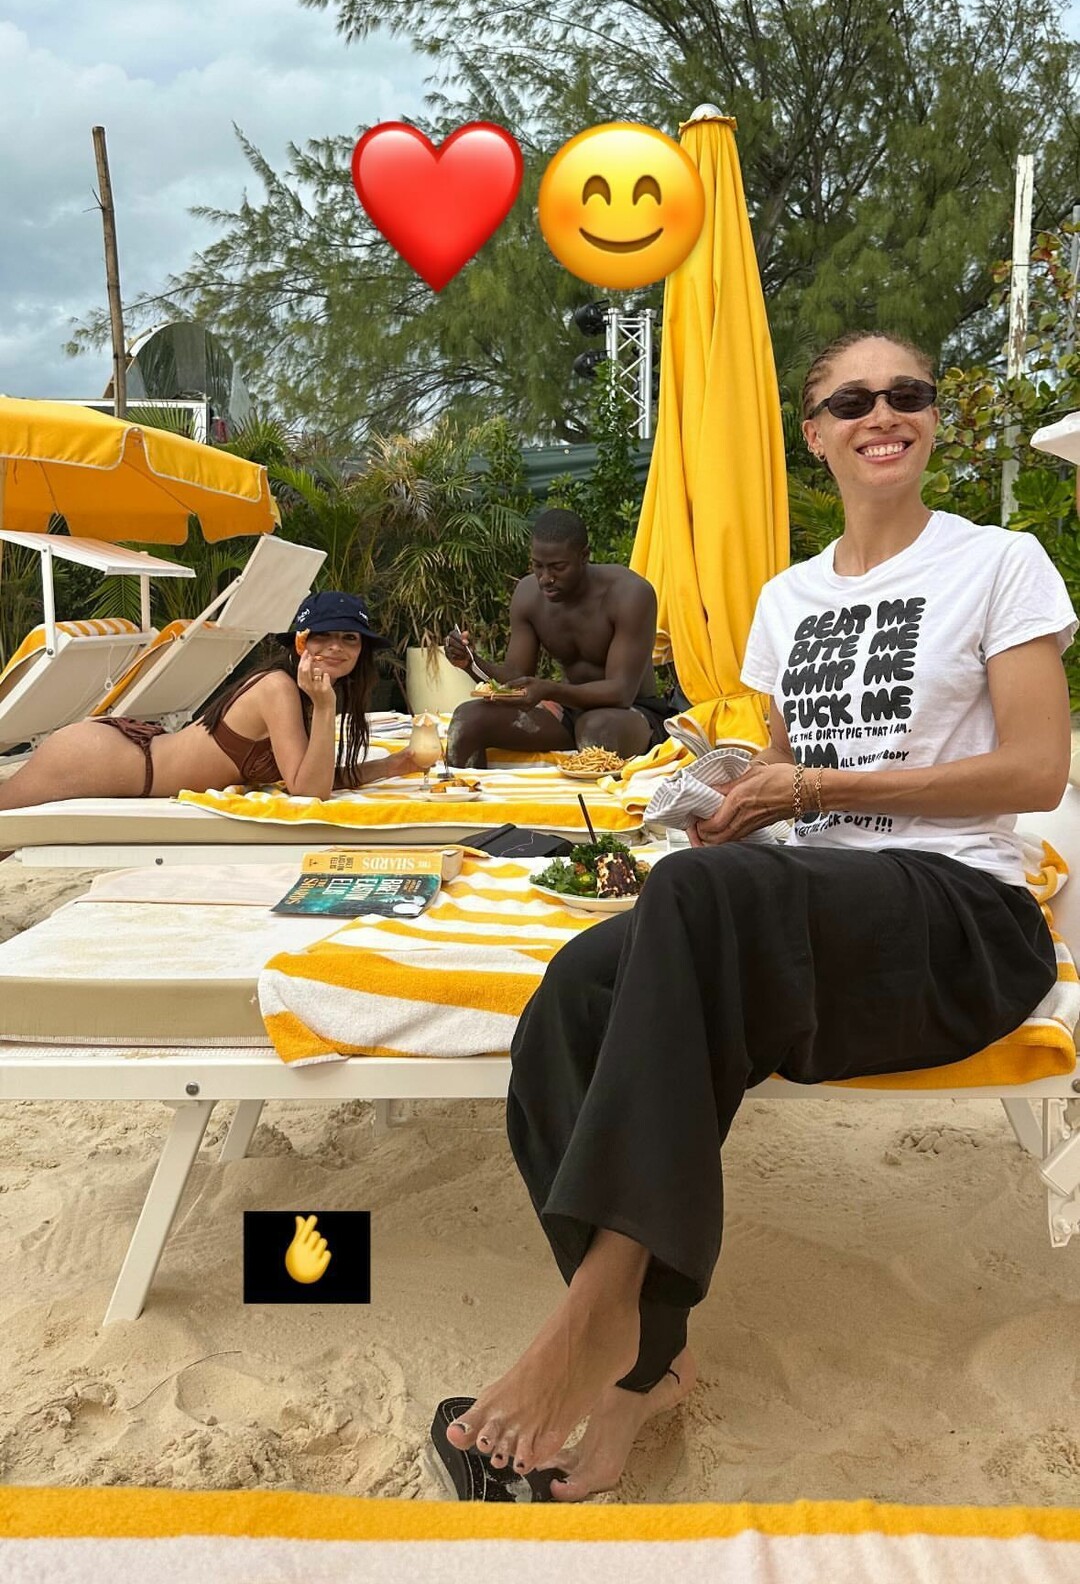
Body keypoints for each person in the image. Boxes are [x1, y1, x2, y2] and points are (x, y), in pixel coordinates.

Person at [435, 330, 1076, 1503]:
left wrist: (809, 791)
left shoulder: (999, 562)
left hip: (959, 920)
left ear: (932, 417)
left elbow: (1037, 770)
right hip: (820, 917)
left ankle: (598, 1330)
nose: (884, 414)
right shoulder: (787, 598)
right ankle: (652, 1363)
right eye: (853, 401)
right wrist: (733, 810)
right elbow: (784, 794)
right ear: (815, 433)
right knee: (574, 990)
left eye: (908, 394)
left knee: (692, 902)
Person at [0, 591, 415, 810]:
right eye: (322, 636)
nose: (336, 647)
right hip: (101, 760)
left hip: (128, 755)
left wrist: (394, 765)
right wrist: (325, 709)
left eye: (349, 638)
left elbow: (311, 776)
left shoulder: (305, 693)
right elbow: (309, 792)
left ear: (361, 650)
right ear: (300, 643)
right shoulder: (279, 688)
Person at [443, 508, 674, 768]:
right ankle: (461, 792)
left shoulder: (630, 593)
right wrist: (471, 662)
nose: (546, 578)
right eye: (537, 566)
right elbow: (515, 676)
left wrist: (550, 690)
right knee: (467, 720)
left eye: (558, 567)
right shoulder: (528, 595)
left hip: (629, 713)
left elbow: (621, 691)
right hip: (568, 712)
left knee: (596, 730)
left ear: (584, 556)